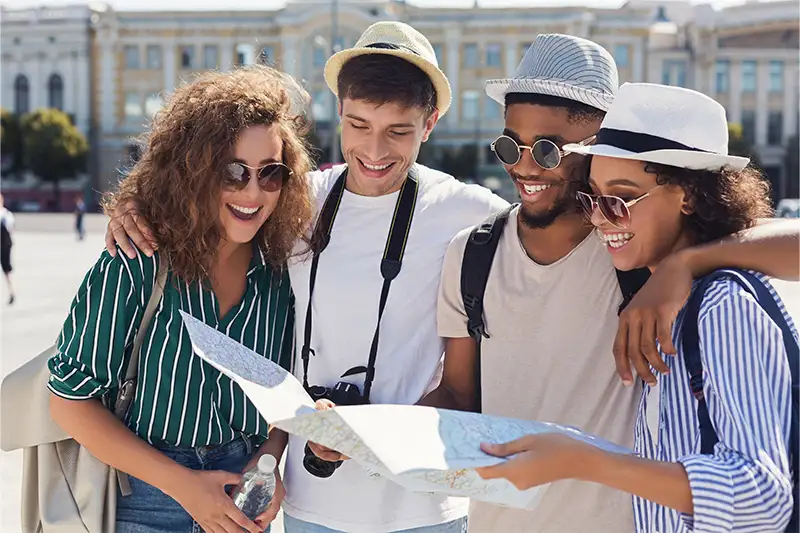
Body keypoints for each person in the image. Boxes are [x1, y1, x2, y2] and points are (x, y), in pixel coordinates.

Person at [104, 22, 507, 533]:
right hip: (308, 503)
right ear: (338, 111)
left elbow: (559, 226)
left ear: (429, 124)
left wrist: (647, 284)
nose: (375, 150)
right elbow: (204, 194)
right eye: (359, 124)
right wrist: (132, 205)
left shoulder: (467, 209)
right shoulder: (297, 197)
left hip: (424, 509)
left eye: (399, 131)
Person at [423, 35, 799, 533]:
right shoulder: (476, 253)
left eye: (549, 149)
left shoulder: (650, 261)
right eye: (510, 145)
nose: (525, 165)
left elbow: (760, 494)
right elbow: (458, 395)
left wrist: (682, 265)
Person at [47, 66, 314, 533]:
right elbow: (70, 402)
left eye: (270, 173)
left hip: (244, 499)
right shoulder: (136, 262)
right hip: (145, 499)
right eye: (233, 171)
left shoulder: (280, 275)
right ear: (192, 171)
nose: (253, 191)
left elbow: (284, 397)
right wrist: (184, 486)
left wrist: (269, 465)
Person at [0, 193, 15, 305]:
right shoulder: (6, 214)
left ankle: (12, 292)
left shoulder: (6, 215)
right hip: (5, 244)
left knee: (7, 270)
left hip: (4, 245)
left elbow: (10, 229)